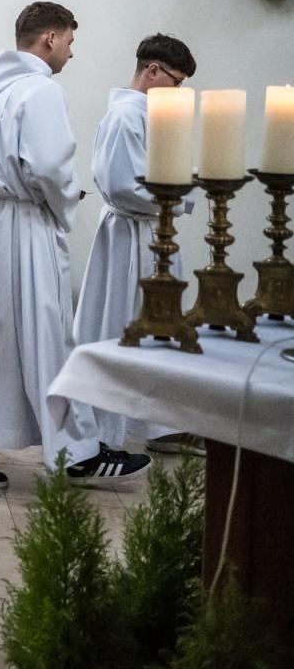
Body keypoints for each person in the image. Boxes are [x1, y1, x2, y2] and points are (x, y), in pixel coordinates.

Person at [0, 2, 150, 490]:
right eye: (69, 40)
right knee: (47, 335)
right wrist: (68, 200)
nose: (71, 51)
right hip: (19, 225)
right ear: (49, 38)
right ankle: (76, 453)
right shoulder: (41, 90)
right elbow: (48, 167)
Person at [73, 34, 202, 456]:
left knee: (159, 326)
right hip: (131, 235)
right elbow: (118, 184)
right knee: (123, 325)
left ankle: (159, 424)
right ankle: (109, 428)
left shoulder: (149, 114)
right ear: (152, 70)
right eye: (176, 80)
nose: (178, 91)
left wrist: (182, 184)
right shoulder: (126, 116)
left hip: (153, 232)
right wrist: (179, 193)